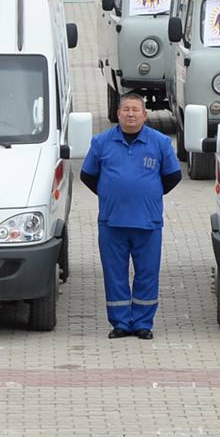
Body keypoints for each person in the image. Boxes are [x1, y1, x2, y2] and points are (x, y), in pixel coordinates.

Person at [81, 92, 182, 338]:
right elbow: (87, 175)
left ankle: (143, 324)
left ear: (145, 115)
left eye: (135, 110)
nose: (130, 114)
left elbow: (173, 177)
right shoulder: (101, 142)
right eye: (126, 109)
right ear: (118, 114)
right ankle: (121, 323)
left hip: (147, 223)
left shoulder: (159, 143)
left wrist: (147, 195)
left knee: (147, 273)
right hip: (112, 222)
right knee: (114, 274)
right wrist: (111, 194)